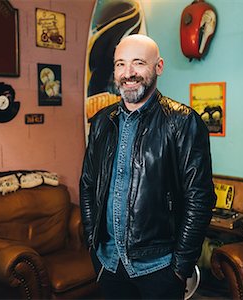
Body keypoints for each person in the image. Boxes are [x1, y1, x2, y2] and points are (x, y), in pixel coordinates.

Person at [80, 34, 216, 299]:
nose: (128, 73)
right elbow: (88, 185)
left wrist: (180, 268)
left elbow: (199, 199)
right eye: (120, 64)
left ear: (159, 67)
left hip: (159, 268)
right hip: (108, 264)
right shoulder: (101, 123)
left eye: (138, 63)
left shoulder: (183, 122)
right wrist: (91, 244)